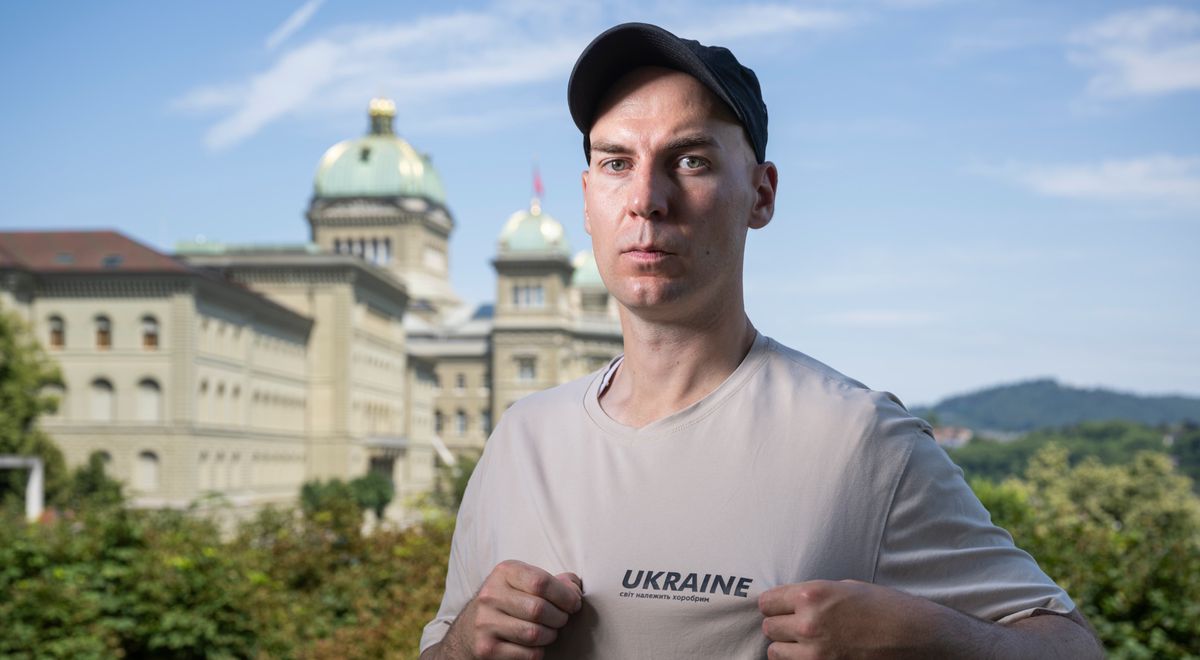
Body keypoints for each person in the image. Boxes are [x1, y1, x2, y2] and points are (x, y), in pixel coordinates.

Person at [420, 22, 1103, 659]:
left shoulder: (858, 440)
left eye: (689, 160)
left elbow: (1073, 646)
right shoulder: (520, 440)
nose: (647, 198)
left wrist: (925, 635)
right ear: (587, 198)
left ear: (762, 194)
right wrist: (461, 645)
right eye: (616, 162)